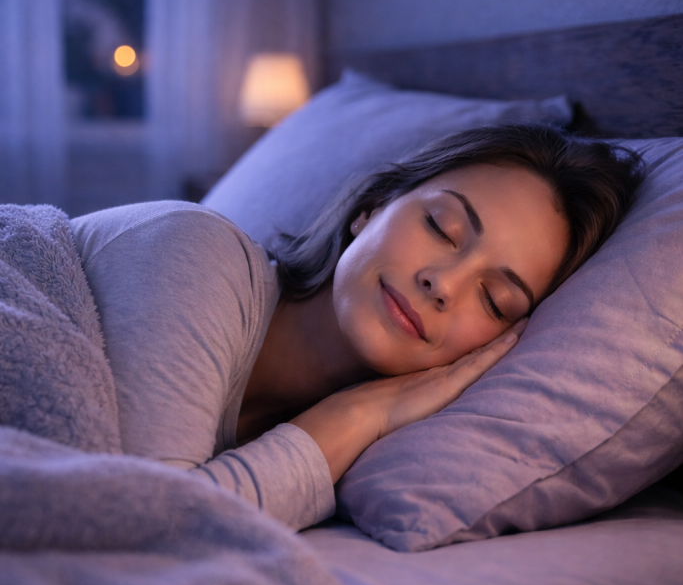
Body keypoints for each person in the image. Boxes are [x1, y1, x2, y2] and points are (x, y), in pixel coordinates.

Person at [71, 125, 643, 531]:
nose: (442, 283)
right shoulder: (192, 250)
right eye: (442, 227)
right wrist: (359, 414)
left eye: (494, 300)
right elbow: (148, 527)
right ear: (370, 207)